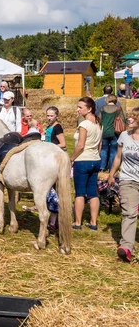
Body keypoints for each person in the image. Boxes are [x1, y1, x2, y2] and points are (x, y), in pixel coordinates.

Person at [108, 107, 139, 263]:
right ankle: (126, 247)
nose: (129, 120)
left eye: (133, 118)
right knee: (129, 213)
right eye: (129, 117)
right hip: (128, 180)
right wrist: (111, 174)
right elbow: (118, 158)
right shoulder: (123, 136)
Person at [70, 97, 102, 230]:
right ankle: (93, 222)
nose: (77, 109)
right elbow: (100, 144)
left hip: (83, 160)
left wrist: (71, 159)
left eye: (80, 107)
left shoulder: (84, 124)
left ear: (89, 109)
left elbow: (80, 145)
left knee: (80, 193)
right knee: (93, 192)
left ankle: (78, 222)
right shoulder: (98, 124)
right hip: (95, 159)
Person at [98, 94, 126, 172]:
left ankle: (102, 167)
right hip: (115, 132)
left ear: (107, 100)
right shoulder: (118, 108)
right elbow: (123, 120)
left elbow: (99, 120)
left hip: (104, 132)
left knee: (104, 149)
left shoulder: (102, 108)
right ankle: (111, 168)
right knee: (114, 151)